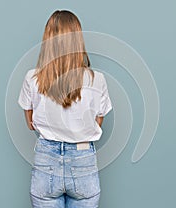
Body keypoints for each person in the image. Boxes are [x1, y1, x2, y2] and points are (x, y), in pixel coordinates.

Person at [18, 10, 112, 208]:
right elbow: (98, 121)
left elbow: (30, 123)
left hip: (46, 161)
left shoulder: (32, 78)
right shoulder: (97, 80)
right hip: (83, 160)